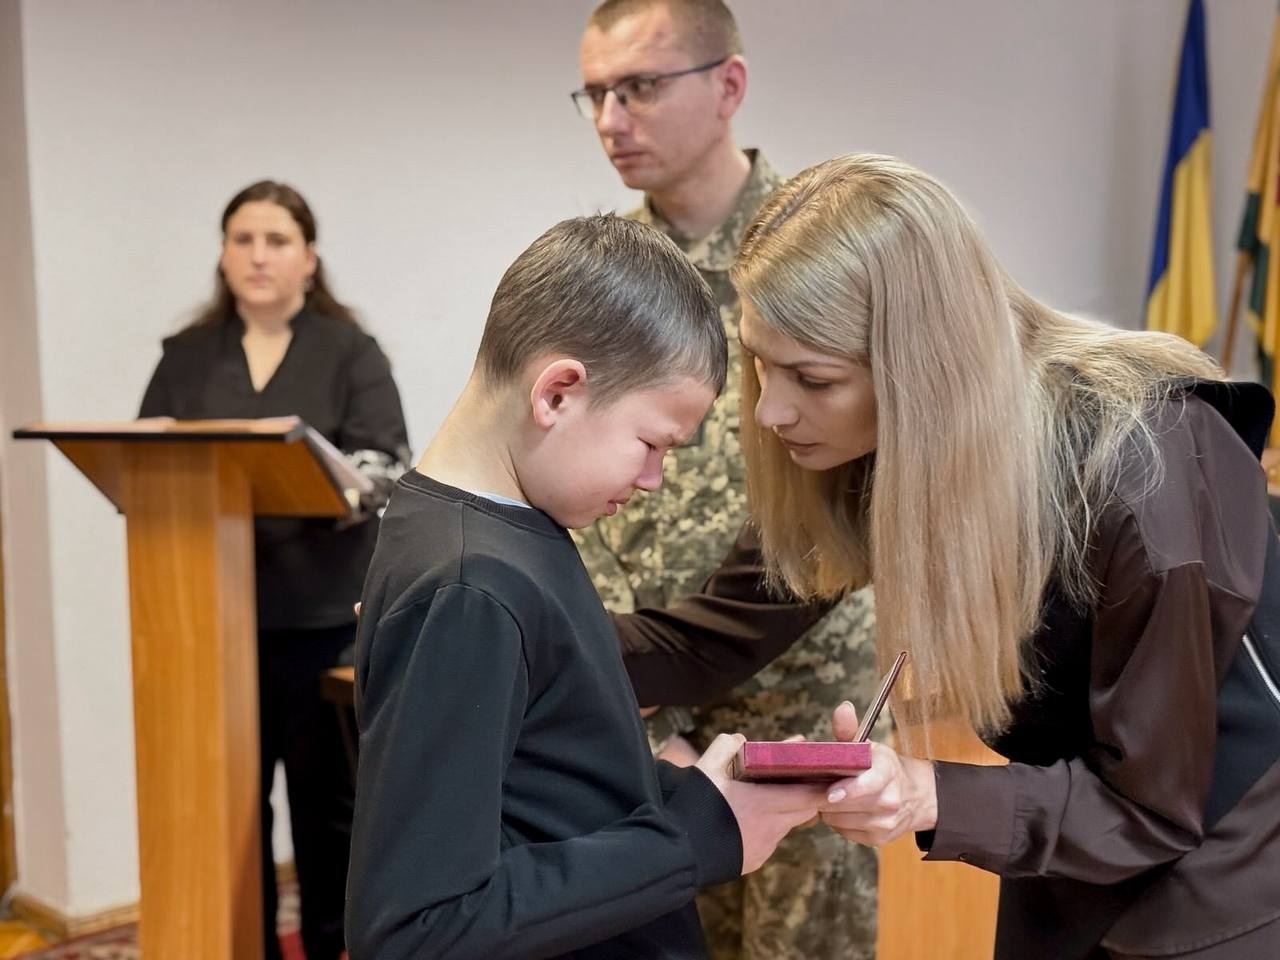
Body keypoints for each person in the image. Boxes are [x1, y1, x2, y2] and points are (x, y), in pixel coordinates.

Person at [614, 153, 1280, 959]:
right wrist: (527, 628)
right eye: (759, 359)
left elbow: (1153, 811)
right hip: (1080, 831)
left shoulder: (1149, 467)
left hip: (1222, 858)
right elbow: (706, 643)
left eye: (812, 378)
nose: (771, 408)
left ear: (921, 367)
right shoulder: (865, 442)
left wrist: (929, 792)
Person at [344, 214, 826, 960]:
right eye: (652, 443)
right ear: (559, 393)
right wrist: (693, 838)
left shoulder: (515, 532)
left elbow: (550, 795)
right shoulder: (469, 585)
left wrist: (702, 798)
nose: (654, 478)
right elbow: (419, 927)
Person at [573, 3, 879, 956]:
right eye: (595, 94)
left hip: (791, 695)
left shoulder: (820, 251)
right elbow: (564, 458)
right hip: (641, 701)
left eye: (640, 87)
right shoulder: (601, 273)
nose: (611, 118)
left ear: (729, 87)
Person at [138, 180, 410, 960]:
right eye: (243, 239)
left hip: (323, 623)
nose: (259, 256)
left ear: (309, 257)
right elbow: (146, 462)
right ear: (222, 255)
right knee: (224, 811)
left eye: (277, 240)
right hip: (207, 624)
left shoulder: (350, 353)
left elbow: (386, 467)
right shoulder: (185, 359)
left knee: (329, 813)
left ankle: (332, 947)